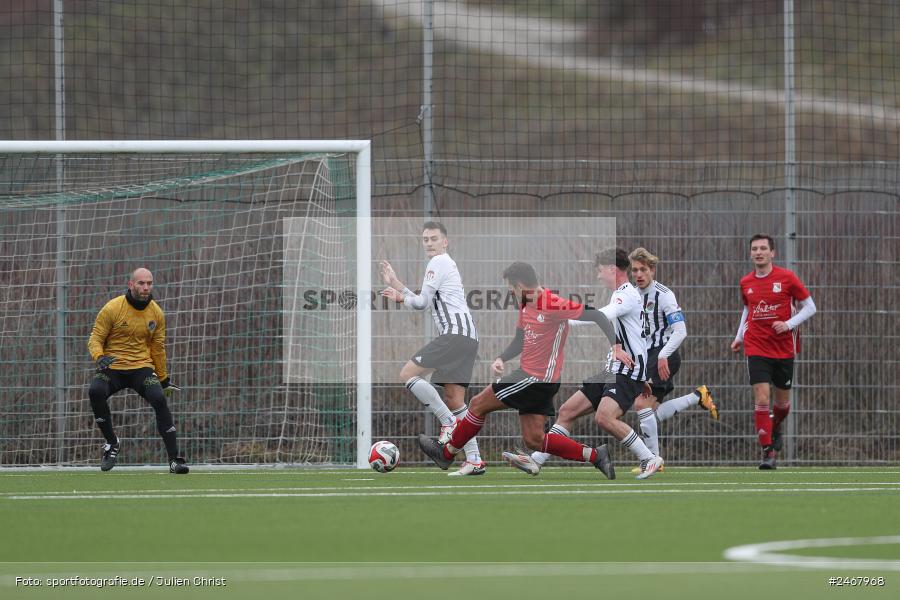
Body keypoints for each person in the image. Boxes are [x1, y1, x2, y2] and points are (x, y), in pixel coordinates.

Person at [417, 261, 618, 478]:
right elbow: (520, 340)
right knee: (535, 439)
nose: (511, 293)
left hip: (536, 379)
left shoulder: (552, 303)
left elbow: (597, 315)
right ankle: (596, 455)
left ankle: (447, 452)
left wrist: (616, 345)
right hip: (535, 380)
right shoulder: (525, 305)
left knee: (477, 404)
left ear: (521, 285)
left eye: (512, 289)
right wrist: (501, 358)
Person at [503, 247, 664, 480]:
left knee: (604, 417)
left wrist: (561, 317)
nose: (598, 276)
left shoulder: (625, 294)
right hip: (615, 369)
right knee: (567, 411)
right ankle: (535, 460)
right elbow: (637, 335)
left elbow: (604, 315)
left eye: (600, 270)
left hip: (626, 369)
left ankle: (649, 458)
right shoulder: (624, 293)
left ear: (611, 269)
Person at [379, 222, 485, 476]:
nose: (428, 243)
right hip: (468, 337)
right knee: (455, 400)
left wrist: (402, 296)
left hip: (455, 335)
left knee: (407, 374)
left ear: (445, 241)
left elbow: (421, 302)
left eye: (433, 238)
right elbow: (424, 301)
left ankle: (448, 424)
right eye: (425, 239)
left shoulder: (438, 262)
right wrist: (398, 285)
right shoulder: (444, 263)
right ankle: (474, 459)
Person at [87, 268, 188, 474]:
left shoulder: (156, 313)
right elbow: (95, 338)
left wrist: (163, 378)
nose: (146, 287)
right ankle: (112, 443)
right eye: (141, 283)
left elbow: (157, 348)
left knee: (159, 398)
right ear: (130, 284)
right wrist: (99, 356)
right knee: (95, 391)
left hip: (141, 368)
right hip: (113, 366)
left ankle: (174, 460)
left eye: (149, 283)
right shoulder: (112, 308)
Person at [627, 247, 718, 473]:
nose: (638, 274)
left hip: (663, 354)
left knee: (640, 404)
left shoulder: (664, 295)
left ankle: (652, 460)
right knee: (649, 412)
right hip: (644, 356)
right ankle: (697, 396)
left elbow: (680, 331)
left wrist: (663, 355)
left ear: (652, 270)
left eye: (643, 270)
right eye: (635, 270)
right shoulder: (630, 293)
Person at [731, 234, 816, 469]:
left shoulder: (787, 278)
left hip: (784, 349)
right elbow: (748, 311)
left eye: (763, 248)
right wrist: (739, 338)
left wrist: (788, 325)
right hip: (756, 346)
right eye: (755, 249)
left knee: (782, 406)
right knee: (761, 398)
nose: (759, 252)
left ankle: (775, 425)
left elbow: (811, 307)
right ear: (750, 253)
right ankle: (768, 452)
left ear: (772, 253)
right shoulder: (746, 282)